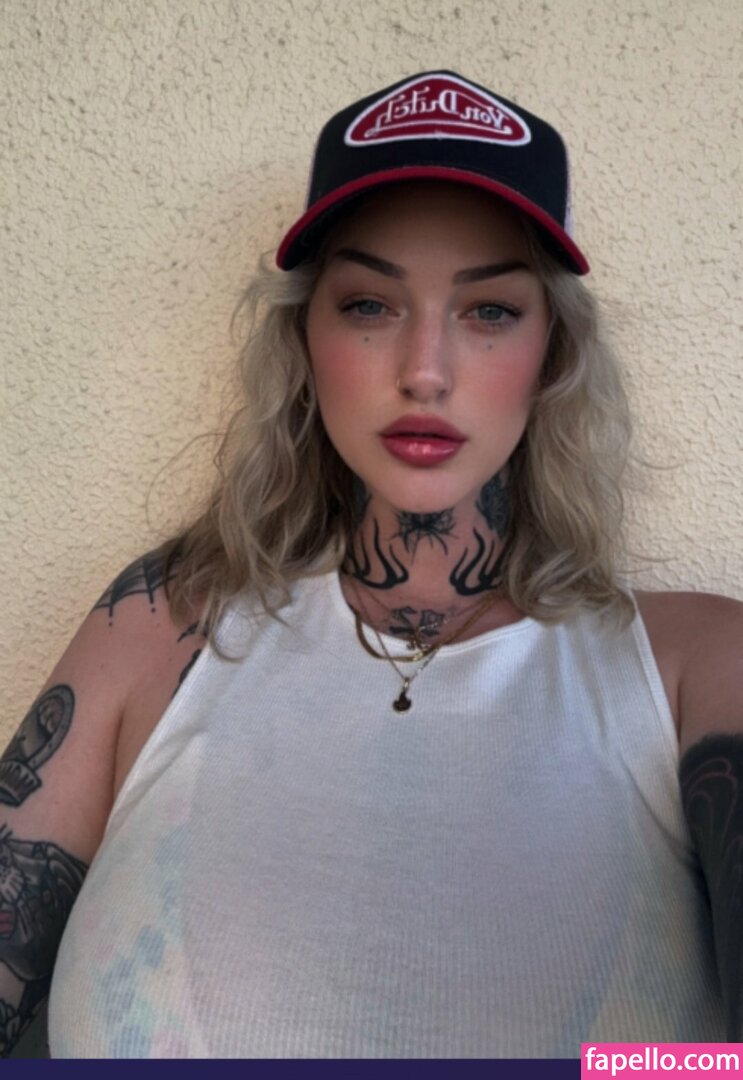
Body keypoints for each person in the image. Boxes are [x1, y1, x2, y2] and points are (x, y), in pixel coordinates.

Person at [1, 70, 741, 1059]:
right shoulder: (161, 626)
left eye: (488, 311)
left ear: (553, 354)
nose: (424, 369)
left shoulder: (696, 669)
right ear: (303, 341)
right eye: (367, 304)